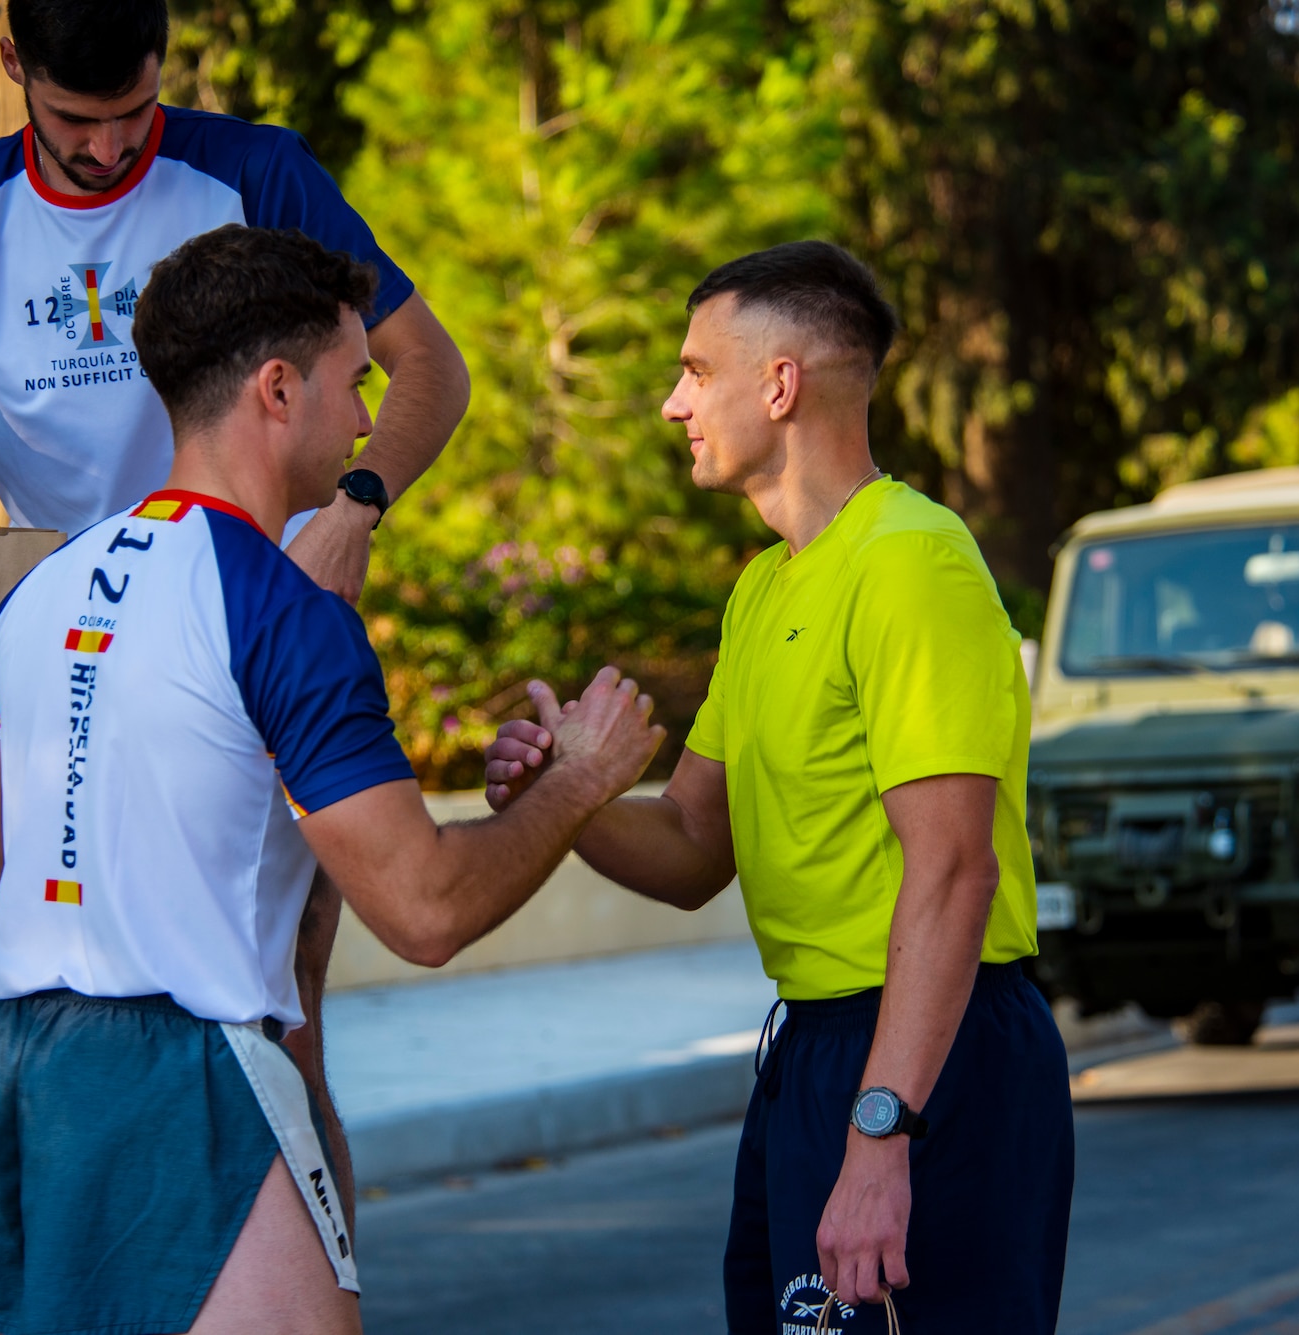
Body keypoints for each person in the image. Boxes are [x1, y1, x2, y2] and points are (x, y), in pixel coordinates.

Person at [0, 0, 469, 1232]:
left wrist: (353, 503)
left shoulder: (254, 170)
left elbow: (428, 365)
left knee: (279, 1007)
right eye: (76, 121)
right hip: (56, 615)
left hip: (234, 618)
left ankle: (304, 1268)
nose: (110, 147)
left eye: (134, 113)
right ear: (12, 65)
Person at [0, 224, 660, 1335]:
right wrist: (580, 783)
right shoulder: (282, 613)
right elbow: (423, 909)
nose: (367, 418)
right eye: (352, 381)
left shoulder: (43, 586)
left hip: (27, 1071)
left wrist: (88, 980)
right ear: (278, 389)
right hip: (190, 1082)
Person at [484, 241, 1075, 1333]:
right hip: (813, 1051)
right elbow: (690, 849)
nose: (672, 404)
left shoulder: (909, 562)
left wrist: (881, 1132)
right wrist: (560, 799)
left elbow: (951, 869)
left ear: (780, 383)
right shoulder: (763, 590)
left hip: (926, 1054)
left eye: (694, 371)